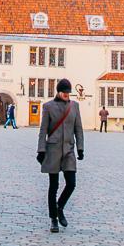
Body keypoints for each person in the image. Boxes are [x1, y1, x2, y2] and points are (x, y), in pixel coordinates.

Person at [37, 79, 84, 233]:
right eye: (64, 92)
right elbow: (43, 130)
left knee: (71, 183)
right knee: (54, 186)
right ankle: (53, 219)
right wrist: (41, 150)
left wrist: (80, 148)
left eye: (68, 92)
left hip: (69, 150)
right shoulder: (48, 107)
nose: (66, 95)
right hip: (53, 150)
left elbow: (79, 129)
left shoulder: (74, 106)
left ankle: (60, 207)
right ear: (58, 91)